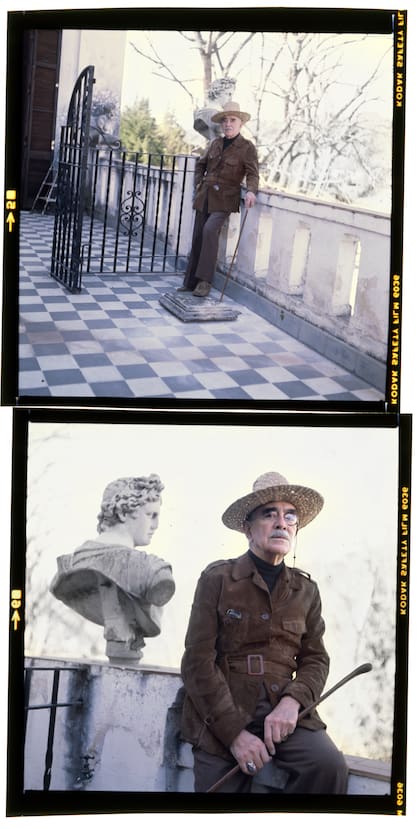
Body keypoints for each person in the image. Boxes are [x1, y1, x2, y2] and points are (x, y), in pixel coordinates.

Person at [180, 471, 348, 794]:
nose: (281, 523)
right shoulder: (217, 579)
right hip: (222, 713)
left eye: (290, 516)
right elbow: (197, 663)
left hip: (284, 716)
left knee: (328, 767)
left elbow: (316, 659)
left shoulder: (306, 590)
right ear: (248, 527)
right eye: (269, 514)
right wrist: (235, 735)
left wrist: (292, 703)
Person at [50, 475, 175, 663]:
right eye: (151, 515)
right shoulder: (150, 570)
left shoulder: (72, 563)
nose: (156, 525)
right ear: (124, 513)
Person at [178, 101, 259, 298]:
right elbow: (200, 165)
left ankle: (205, 282)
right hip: (204, 195)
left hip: (225, 198)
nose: (228, 124)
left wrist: (251, 191)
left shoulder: (247, 147)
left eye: (232, 120)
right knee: (198, 235)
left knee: (209, 231)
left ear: (240, 123)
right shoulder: (215, 144)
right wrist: (198, 183)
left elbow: (253, 173)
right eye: (225, 120)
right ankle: (190, 282)